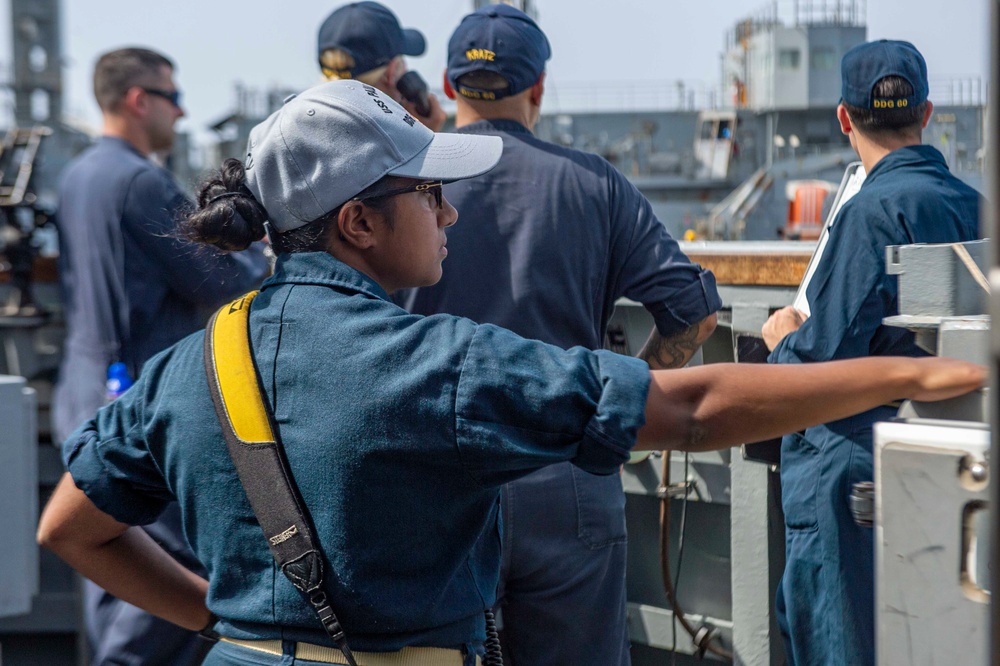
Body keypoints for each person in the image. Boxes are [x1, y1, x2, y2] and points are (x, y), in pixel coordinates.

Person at [36, 79, 982, 666]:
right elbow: (689, 408)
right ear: (358, 223)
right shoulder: (425, 360)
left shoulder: (191, 362)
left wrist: (216, 616)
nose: (449, 214)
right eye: (429, 192)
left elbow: (71, 527)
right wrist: (909, 379)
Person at [397, 6, 719, 664]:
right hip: (566, 467)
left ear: (449, 86)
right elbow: (693, 312)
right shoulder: (595, 183)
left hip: (434, 475)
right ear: (539, 88)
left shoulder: (400, 183)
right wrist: (623, 413)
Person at [761, 40, 983, 666]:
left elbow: (821, 361)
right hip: (951, 465)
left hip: (851, 480)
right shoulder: (974, 206)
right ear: (928, 112)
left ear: (843, 117)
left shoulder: (868, 213)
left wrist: (782, 340)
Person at [51, 47, 270, 665]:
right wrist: (263, 257)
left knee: (107, 559)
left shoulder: (79, 174)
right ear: (138, 100)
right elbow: (221, 283)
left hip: (82, 387)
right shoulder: (143, 181)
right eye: (172, 98)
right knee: (172, 559)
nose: (181, 112)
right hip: (138, 396)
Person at [317, 1, 447, 131]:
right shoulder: (393, 143)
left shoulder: (306, 123)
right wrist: (425, 134)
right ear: (391, 73)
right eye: (402, 63)